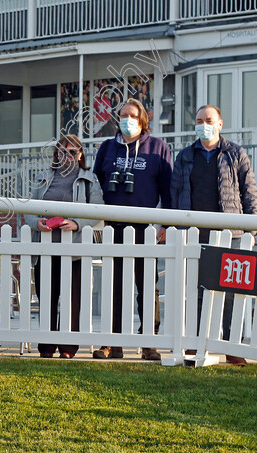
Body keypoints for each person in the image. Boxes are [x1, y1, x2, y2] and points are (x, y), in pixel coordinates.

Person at [170, 104, 257, 365]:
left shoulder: (236, 154)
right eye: (198, 120)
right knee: (196, 292)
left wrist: (252, 230)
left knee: (230, 293)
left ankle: (232, 348)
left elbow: (249, 193)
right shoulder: (185, 156)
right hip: (194, 235)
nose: (203, 125)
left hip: (229, 234)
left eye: (208, 120)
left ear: (220, 124)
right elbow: (175, 194)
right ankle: (197, 345)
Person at [92, 98, 172, 361]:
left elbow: (167, 189)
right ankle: (111, 343)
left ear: (143, 120)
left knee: (147, 285)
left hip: (145, 228)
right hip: (113, 227)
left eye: (132, 116)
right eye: (123, 115)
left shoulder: (157, 148)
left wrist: (165, 223)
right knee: (114, 286)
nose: (127, 120)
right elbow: (98, 185)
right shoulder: (107, 148)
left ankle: (148, 342)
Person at [23, 134, 104, 358]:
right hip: (45, 251)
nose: (67, 156)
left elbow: (98, 211)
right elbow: (28, 207)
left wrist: (77, 223)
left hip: (75, 252)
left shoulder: (89, 179)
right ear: (56, 154)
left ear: (80, 155)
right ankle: (46, 347)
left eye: (72, 152)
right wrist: (36, 223)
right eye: (62, 151)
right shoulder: (43, 177)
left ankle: (68, 348)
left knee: (71, 301)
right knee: (46, 298)